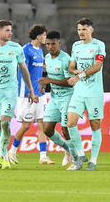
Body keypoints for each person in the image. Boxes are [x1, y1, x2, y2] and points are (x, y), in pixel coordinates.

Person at [0, 20, 36, 170]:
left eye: (11, 30)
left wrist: (31, 89)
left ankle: (3, 155)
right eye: (8, 30)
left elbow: (24, 69)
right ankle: (2, 156)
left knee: (5, 122)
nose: (11, 33)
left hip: (10, 90)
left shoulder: (16, 48)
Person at [8, 24, 54, 165]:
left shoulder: (40, 51)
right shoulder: (25, 50)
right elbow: (23, 70)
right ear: (38, 36)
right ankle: (12, 151)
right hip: (26, 94)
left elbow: (39, 68)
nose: (45, 39)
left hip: (39, 93)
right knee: (26, 125)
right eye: (45, 36)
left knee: (42, 124)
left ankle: (43, 156)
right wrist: (30, 91)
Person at [67, 18, 106, 170]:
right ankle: (81, 154)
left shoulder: (98, 45)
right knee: (70, 123)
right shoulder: (75, 46)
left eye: (84, 29)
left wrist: (79, 76)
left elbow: (97, 66)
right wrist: (73, 71)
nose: (81, 32)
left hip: (94, 93)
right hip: (79, 92)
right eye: (79, 29)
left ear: (91, 30)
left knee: (95, 125)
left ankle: (93, 161)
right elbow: (71, 66)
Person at [38, 31, 76, 170]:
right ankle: (67, 149)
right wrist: (44, 83)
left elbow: (70, 81)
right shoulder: (47, 57)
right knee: (47, 129)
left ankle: (76, 159)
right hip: (54, 98)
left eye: (53, 44)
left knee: (66, 130)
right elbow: (50, 74)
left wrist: (50, 81)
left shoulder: (66, 59)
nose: (50, 46)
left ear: (59, 43)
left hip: (67, 97)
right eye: (48, 44)